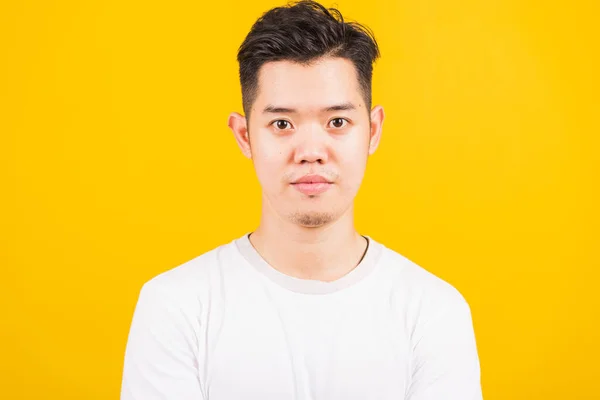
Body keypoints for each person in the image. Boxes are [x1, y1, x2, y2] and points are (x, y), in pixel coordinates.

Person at [120, 1, 483, 399]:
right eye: (282, 124)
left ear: (373, 130)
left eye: (337, 122)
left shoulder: (432, 312)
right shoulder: (177, 307)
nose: (311, 150)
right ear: (244, 136)